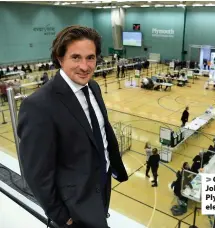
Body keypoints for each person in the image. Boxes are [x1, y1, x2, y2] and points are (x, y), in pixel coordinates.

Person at [17, 25, 128, 228]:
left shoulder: (93, 87)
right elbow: (37, 173)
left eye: (91, 58)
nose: (85, 67)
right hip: (73, 206)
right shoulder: (38, 105)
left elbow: (101, 129)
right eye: (76, 57)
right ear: (60, 58)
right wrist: (62, 217)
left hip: (100, 185)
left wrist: (113, 166)